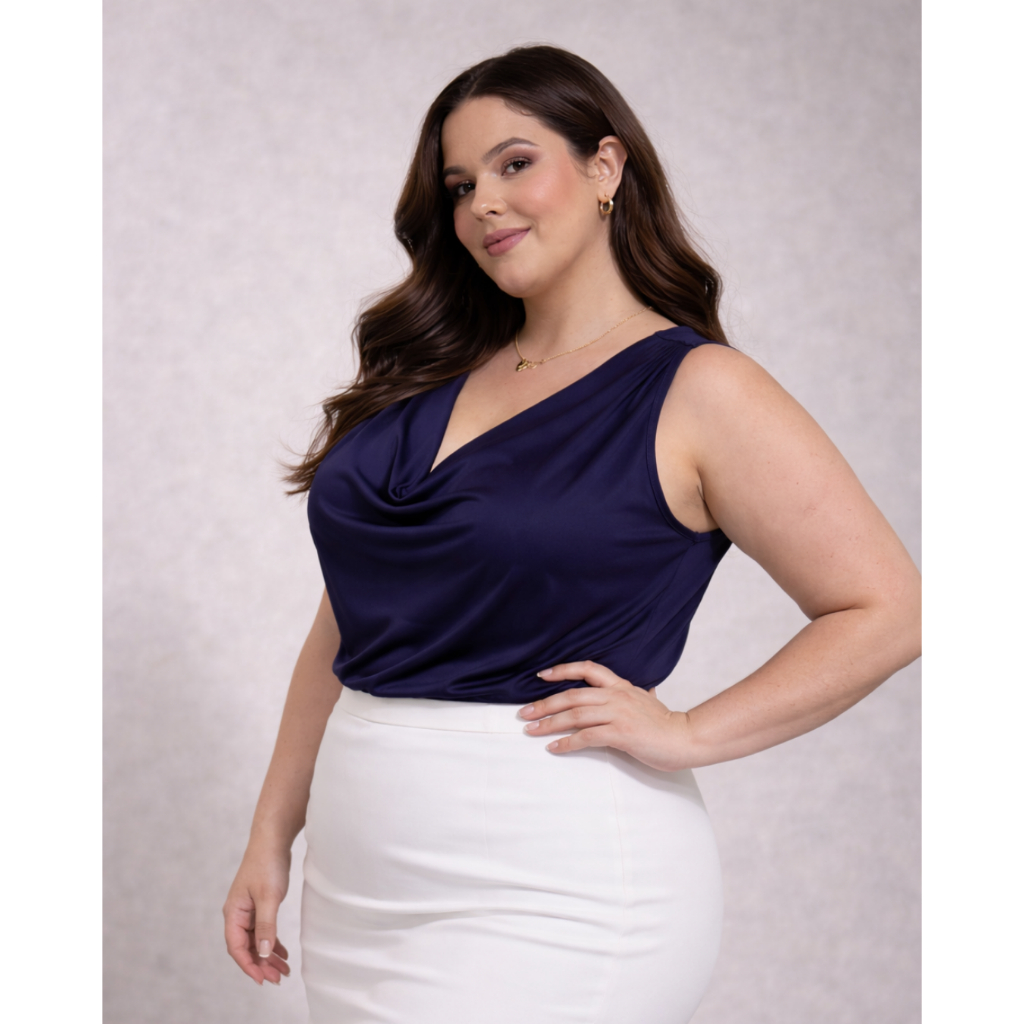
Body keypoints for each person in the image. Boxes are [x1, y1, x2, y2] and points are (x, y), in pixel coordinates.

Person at [222, 45, 921, 1023]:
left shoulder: (699, 390)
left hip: (563, 886)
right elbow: (350, 617)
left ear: (605, 166)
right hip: (360, 886)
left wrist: (688, 732)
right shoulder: (426, 378)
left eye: (515, 164)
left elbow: (889, 608)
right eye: (460, 186)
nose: (483, 204)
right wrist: (272, 832)